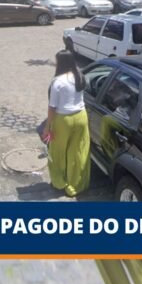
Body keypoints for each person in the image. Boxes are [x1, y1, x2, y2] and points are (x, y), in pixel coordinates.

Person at [42, 50, 90, 197]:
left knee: (57, 152)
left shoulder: (58, 82)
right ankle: (74, 186)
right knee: (77, 152)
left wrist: (47, 127)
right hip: (81, 117)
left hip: (64, 120)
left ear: (61, 63)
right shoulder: (80, 76)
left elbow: (52, 108)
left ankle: (59, 182)